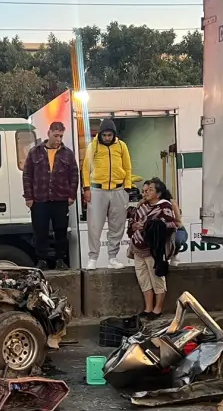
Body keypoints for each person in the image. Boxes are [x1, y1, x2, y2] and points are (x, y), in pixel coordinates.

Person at [22, 121, 78, 269]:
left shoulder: (68, 153)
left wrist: (71, 194)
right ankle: (42, 260)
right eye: (56, 135)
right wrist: (29, 197)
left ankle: (60, 260)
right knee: (40, 230)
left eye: (61, 136)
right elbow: (27, 175)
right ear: (49, 133)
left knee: (61, 230)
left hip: (60, 198)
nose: (58, 139)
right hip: (40, 198)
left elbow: (74, 175)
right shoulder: (35, 152)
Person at [81, 118, 133, 270]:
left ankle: (113, 257)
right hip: (97, 190)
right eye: (105, 135)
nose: (107, 138)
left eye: (110, 135)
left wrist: (127, 187)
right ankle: (92, 258)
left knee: (117, 226)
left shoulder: (122, 146)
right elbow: (85, 169)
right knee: (94, 226)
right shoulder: (93, 146)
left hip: (118, 190)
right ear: (100, 134)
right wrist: (86, 188)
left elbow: (128, 167)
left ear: (114, 134)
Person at [126, 178, 180, 318]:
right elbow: (132, 222)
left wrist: (147, 226)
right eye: (145, 190)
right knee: (143, 280)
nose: (146, 193)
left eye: (150, 190)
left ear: (159, 193)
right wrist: (134, 226)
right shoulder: (141, 206)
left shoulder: (164, 206)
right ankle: (148, 308)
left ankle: (158, 309)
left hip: (153, 250)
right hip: (138, 249)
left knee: (157, 279)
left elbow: (171, 225)